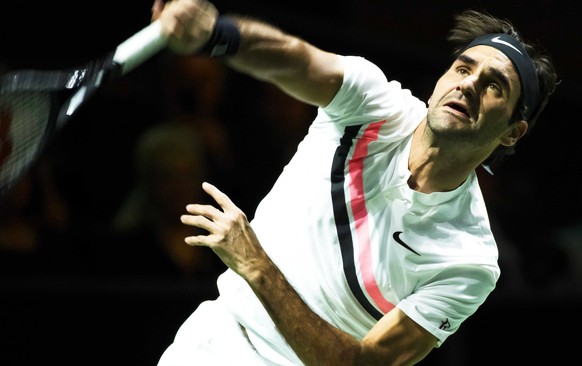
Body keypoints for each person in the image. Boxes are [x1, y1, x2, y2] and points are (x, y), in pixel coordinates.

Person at [152, 0, 558, 364]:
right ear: (441, 80)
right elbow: (295, 59)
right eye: (463, 68)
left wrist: (256, 265)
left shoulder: (468, 259)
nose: (468, 84)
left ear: (512, 132)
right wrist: (217, 35)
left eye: (493, 85)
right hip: (212, 342)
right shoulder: (375, 106)